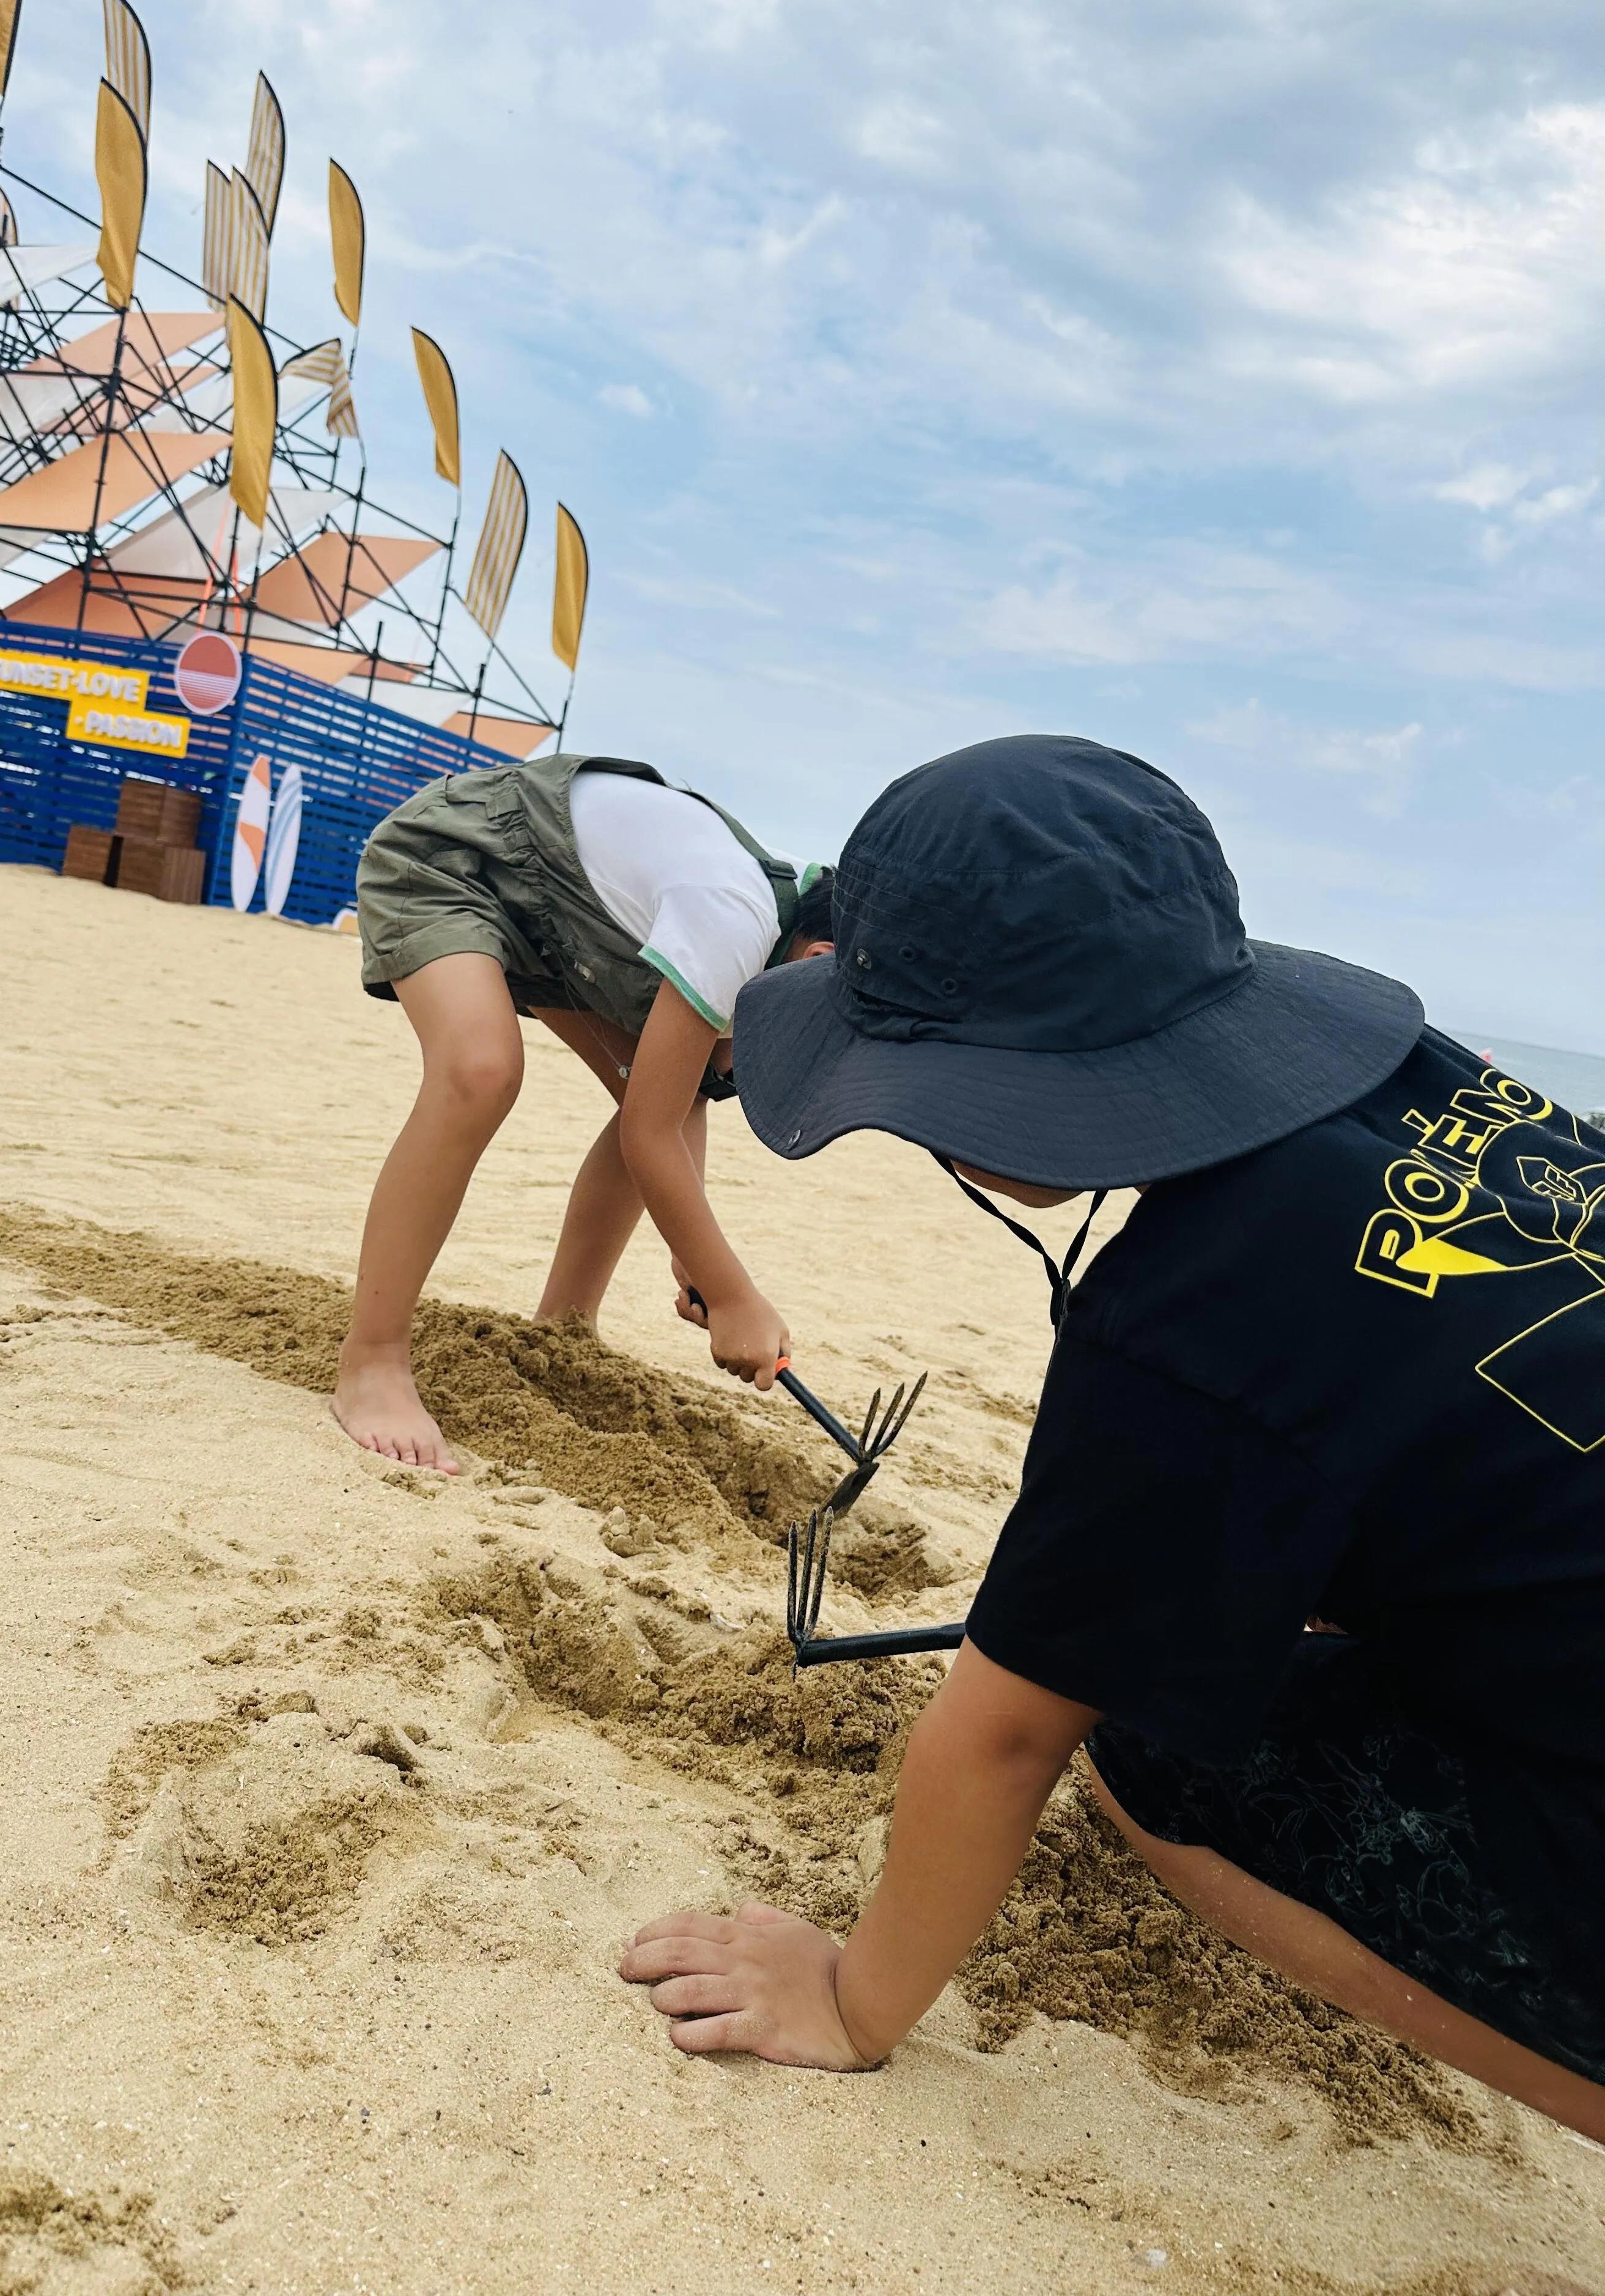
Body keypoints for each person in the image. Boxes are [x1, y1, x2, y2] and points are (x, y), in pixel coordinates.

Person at [621, 735, 1605, 2143]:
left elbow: (1009, 1729)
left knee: (1152, 1756)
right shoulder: (1431, 1086)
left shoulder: (1187, 1321)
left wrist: (850, 2000)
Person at [333, 751, 836, 1470]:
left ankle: (561, 1334)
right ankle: (373, 1359)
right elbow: (649, 1136)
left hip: (557, 922)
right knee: (481, 1071)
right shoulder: (736, 918)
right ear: (818, 962)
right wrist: (732, 1296)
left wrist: (696, 1258)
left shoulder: (783, 948)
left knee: (665, 1091)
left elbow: (673, 1106)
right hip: (457, 856)